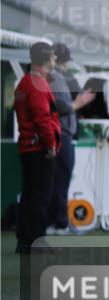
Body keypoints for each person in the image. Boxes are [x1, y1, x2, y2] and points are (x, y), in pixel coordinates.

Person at [13, 43, 61, 253]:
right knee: (39, 197)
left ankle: (24, 241)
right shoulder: (37, 83)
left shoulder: (25, 82)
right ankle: (37, 243)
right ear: (46, 59)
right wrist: (50, 145)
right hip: (39, 148)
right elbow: (43, 118)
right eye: (53, 57)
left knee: (29, 195)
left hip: (28, 147)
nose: (55, 60)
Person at [47, 43, 94, 234]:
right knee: (60, 181)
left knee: (56, 181)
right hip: (60, 134)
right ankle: (60, 224)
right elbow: (61, 106)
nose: (66, 65)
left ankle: (56, 222)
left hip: (59, 134)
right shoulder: (55, 78)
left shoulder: (59, 78)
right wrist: (79, 102)